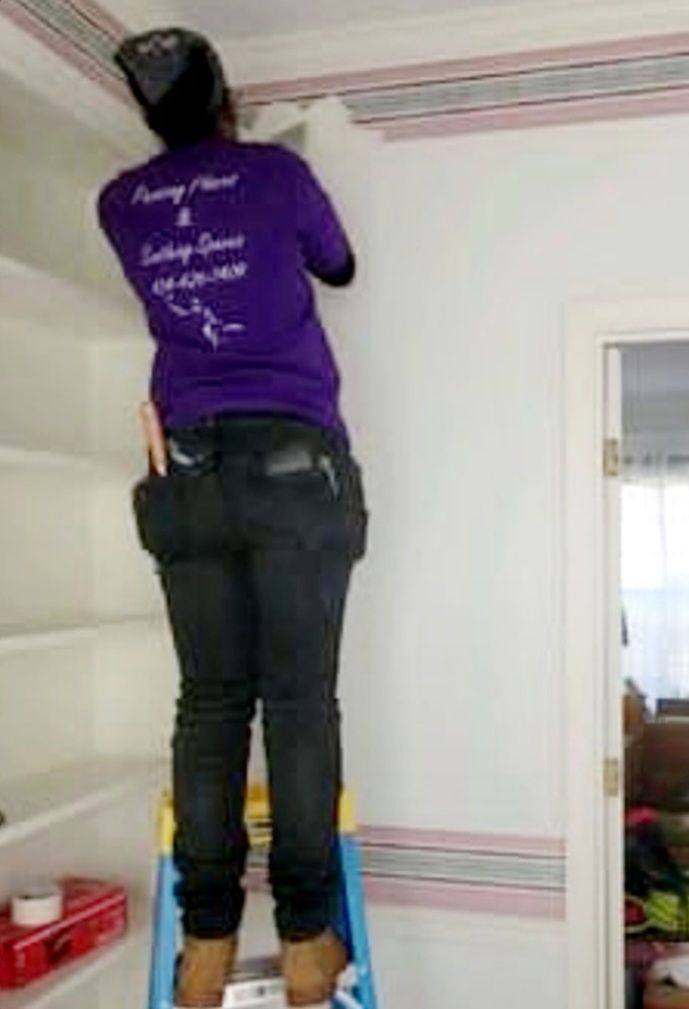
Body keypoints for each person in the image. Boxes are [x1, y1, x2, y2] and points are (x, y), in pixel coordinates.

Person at [97, 28, 367, 1009]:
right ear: (228, 101)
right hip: (290, 461)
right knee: (298, 703)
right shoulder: (273, 175)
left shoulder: (119, 203)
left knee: (211, 705)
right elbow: (339, 265)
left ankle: (205, 944)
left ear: (147, 114)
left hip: (187, 467)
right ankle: (305, 943)